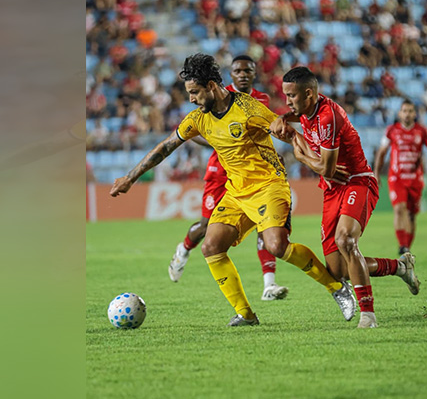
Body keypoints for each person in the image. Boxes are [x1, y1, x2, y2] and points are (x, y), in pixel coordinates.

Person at [110, 54, 357, 327]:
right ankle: (246, 314)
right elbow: (166, 147)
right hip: (237, 193)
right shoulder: (198, 119)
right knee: (211, 246)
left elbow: (288, 132)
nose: (191, 99)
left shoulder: (248, 108)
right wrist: (130, 178)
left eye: (195, 92)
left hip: (268, 186)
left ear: (212, 86)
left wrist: (317, 162)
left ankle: (336, 287)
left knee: (276, 245)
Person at [270, 67, 421, 329]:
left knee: (346, 240)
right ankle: (399, 267)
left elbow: (327, 169)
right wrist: (282, 121)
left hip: (357, 181)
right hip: (331, 190)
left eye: (291, 96)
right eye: (285, 96)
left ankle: (368, 315)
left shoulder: (328, 116)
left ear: (308, 93)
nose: (288, 102)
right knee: (339, 270)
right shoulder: (305, 111)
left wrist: (300, 152)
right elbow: (287, 124)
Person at [168, 56, 289, 302]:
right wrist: (220, 140)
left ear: (255, 74)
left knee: (263, 223)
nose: (243, 74)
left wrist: (274, 157)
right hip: (219, 170)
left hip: (253, 170)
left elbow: (263, 132)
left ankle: (269, 284)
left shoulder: (260, 100)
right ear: (230, 75)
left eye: (248, 71)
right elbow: (194, 131)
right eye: (238, 71)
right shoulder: (213, 95)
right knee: (206, 226)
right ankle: (184, 248)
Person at [373, 101, 427, 256]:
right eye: (404, 111)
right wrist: (376, 172)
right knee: (398, 209)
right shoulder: (392, 130)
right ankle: (402, 245)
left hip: (415, 178)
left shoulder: (421, 130)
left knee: (411, 214)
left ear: (415, 114)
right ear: (399, 113)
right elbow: (382, 152)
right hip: (396, 177)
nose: (407, 114)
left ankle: (407, 248)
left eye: (410, 111)